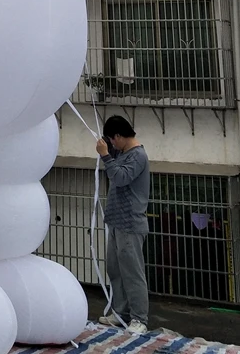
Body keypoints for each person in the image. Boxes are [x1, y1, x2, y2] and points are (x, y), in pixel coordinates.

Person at [96, 115, 150, 335]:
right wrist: (105, 147)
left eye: (112, 139)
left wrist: (106, 156)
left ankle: (140, 318)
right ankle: (121, 314)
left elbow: (120, 177)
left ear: (118, 136)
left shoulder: (138, 156)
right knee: (115, 270)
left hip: (131, 223)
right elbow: (112, 156)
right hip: (117, 222)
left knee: (132, 272)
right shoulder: (123, 153)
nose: (112, 144)